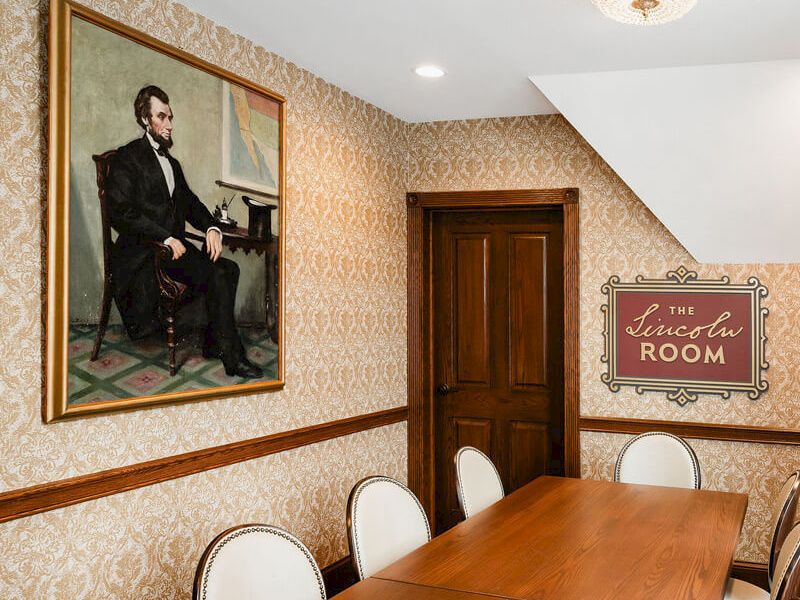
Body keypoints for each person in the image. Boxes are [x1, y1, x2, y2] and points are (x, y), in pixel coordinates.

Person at [104, 85, 262, 378]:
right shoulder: (128, 157)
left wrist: (211, 227)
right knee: (217, 274)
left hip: (171, 251)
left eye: (170, 117)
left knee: (229, 269)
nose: (169, 124)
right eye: (161, 117)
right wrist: (164, 236)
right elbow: (121, 214)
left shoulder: (172, 164)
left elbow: (190, 203)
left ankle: (215, 343)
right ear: (145, 119)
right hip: (143, 256)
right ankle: (233, 359)